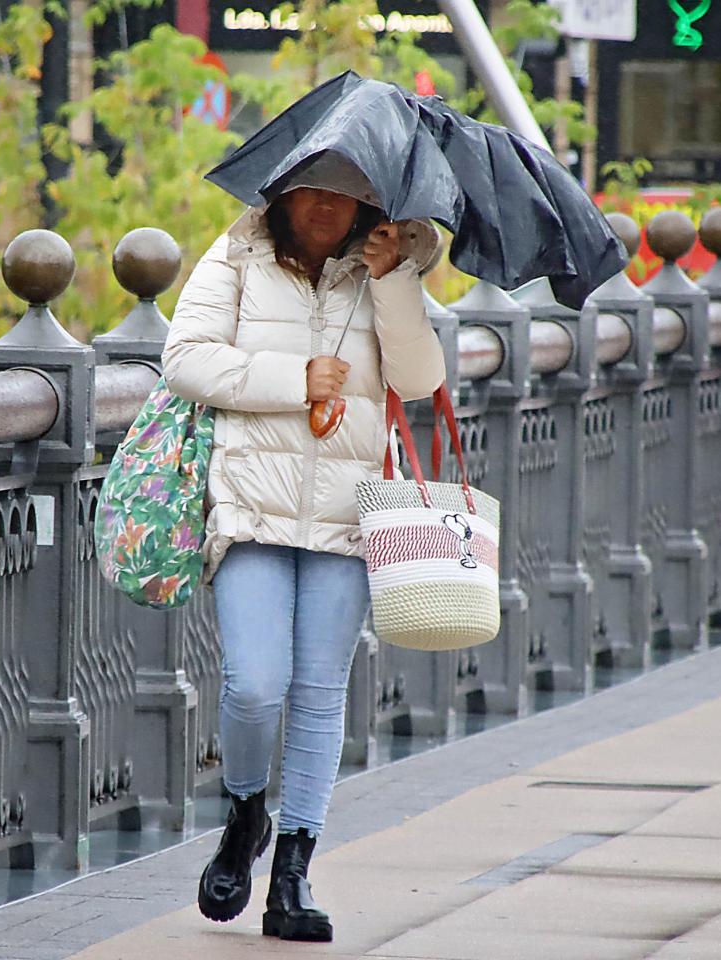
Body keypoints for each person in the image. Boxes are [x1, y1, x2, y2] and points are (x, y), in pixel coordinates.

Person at [161, 165, 446, 943]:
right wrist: (296, 378)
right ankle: (247, 809)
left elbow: (420, 380)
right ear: (281, 193)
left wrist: (394, 282)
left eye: (344, 192)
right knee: (254, 685)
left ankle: (294, 871)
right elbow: (183, 358)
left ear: (369, 201)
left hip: (347, 518)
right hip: (252, 509)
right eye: (311, 189)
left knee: (320, 692)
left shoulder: (388, 264)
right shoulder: (237, 257)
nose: (326, 206)